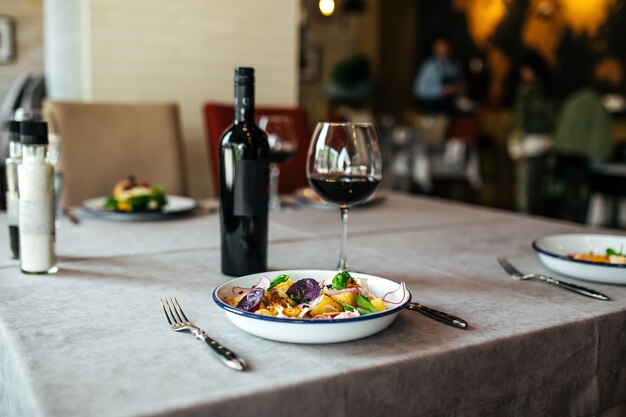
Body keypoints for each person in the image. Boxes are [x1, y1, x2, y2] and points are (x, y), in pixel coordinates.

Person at [507, 52, 553, 214]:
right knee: (539, 190)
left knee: (524, 193)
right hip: (545, 143)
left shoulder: (525, 90)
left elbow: (519, 119)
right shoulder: (546, 89)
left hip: (528, 144)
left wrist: (515, 146)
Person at [413, 37, 462, 116]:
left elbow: (459, 85)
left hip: (451, 111)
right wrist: (442, 90)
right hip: (434, 112)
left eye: (447, 52)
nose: (444, 56)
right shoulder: (430, 67)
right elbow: (419, 90)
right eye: (441, 53)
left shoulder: (455, 66)